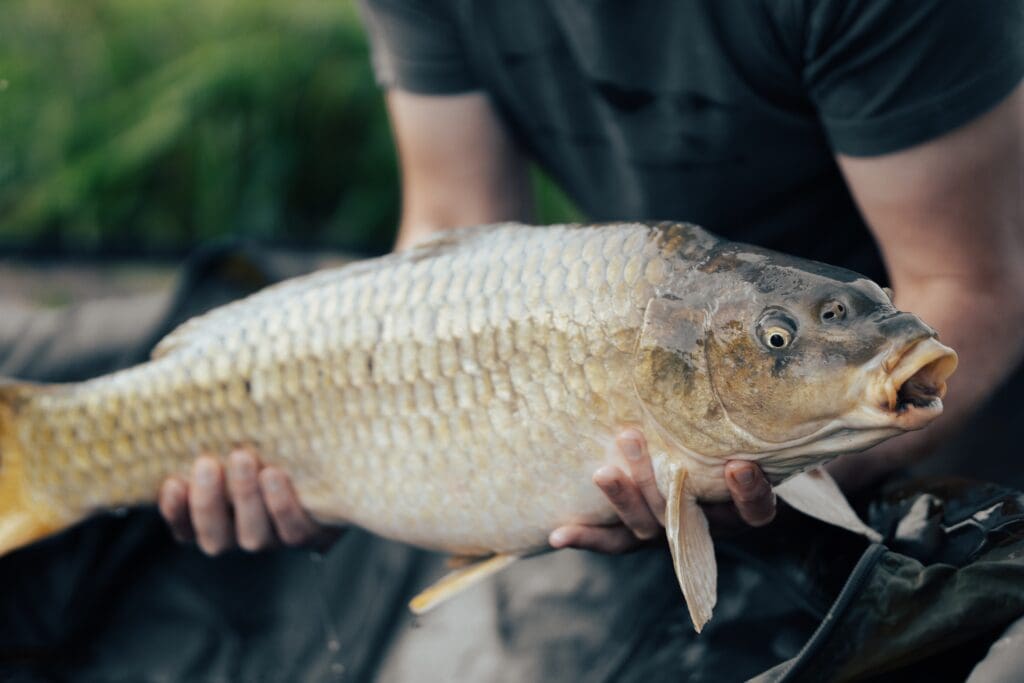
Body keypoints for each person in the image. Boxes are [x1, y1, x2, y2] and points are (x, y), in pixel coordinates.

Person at [3, 1, 1020, 680]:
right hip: (657, 335)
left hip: (931, 413)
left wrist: (741, 465)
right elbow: (448, 225)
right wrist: (337, 460)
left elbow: (971, 286)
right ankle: (38, 456)